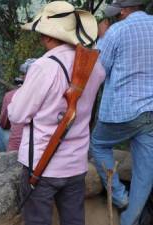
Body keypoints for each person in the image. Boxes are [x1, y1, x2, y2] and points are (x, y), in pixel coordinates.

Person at [8, 1, 105, 225]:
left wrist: (22, 91)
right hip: (76, 163)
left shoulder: (44, 67)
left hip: (42, 166)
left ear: (49, 36)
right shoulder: (95, 66)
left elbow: (17, 115)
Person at [89, 1, 153, 225]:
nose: (116, 17)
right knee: (145, 169)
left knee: (98, 144)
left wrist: (102, 39)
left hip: (121, 111)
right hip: (151, 111)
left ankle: (119, 196)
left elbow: (98, 70)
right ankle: (130, 219)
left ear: (125, 10)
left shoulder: (116, 31)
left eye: (117, 13)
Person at [0, 78, 24, 152]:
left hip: (16, 146)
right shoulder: (39, 95)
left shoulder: (9, 95)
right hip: (37, 143)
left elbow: (2, 123)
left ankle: (1, 156)